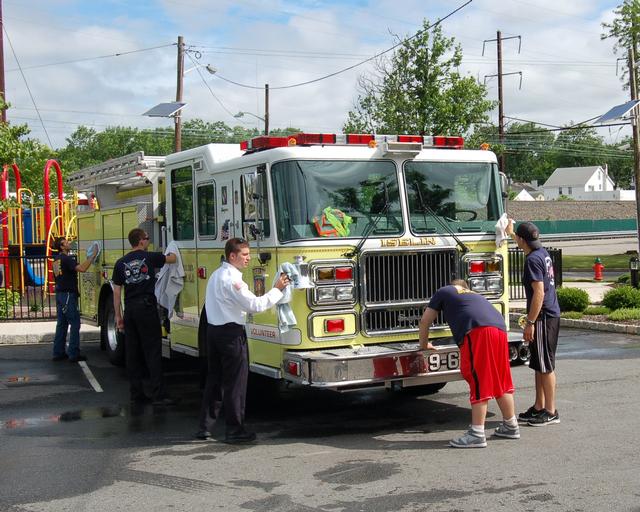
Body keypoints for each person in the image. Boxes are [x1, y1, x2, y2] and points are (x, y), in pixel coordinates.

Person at [197, 237, 290, 444]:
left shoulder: (215, 275)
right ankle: (235, 430)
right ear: (232, 256)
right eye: (245, 255)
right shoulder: (234, 280)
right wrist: (277, 289)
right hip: (230, 335)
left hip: (213, 332)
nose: (249, 258)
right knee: (235, 384)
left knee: (215, 381)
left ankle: (205, 427)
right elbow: (255, 305)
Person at [419, 280, 518, 448]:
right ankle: (510, 425)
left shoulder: (444, 291)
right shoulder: (473, 295)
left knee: (478, 378)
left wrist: (423, 345)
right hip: (500, 329)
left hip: (478, 331)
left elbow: (425, 321)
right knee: (500, 379)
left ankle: (477, 433)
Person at [112, 228, 177, 405]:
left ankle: (136, 393)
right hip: (146, 308)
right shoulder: (149, 257)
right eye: (147, 239)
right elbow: (173, 258)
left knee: (132, 353)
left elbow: (116, 293)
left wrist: (118, 316)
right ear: (141, 241)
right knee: (152, 351)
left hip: (130, 309)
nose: (148, 241)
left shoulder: (120, 263)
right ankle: (159, 394)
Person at [507, 220, 561, 427]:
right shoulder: (541, 253)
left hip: (544, 317)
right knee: (538, 364)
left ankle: (550, 411)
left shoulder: (532, 260)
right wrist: (512, 233)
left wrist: (530, 322)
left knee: (546, 366)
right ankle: (539, 407)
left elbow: (539, 292)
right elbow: (525, 243)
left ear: (522, 241)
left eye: (517, 238)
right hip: (547, 315)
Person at [52, 237, 98, 362]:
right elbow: (82, 269)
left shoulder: (56, 260)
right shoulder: (67, 259)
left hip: (60, 294)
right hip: (68, 295)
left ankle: (58, 352)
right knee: (75, 323)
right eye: (65, 242)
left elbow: (57, 276)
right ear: (62, 247)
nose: (68, 243)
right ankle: (73, 353)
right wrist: (92, 257)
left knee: (62, 324)